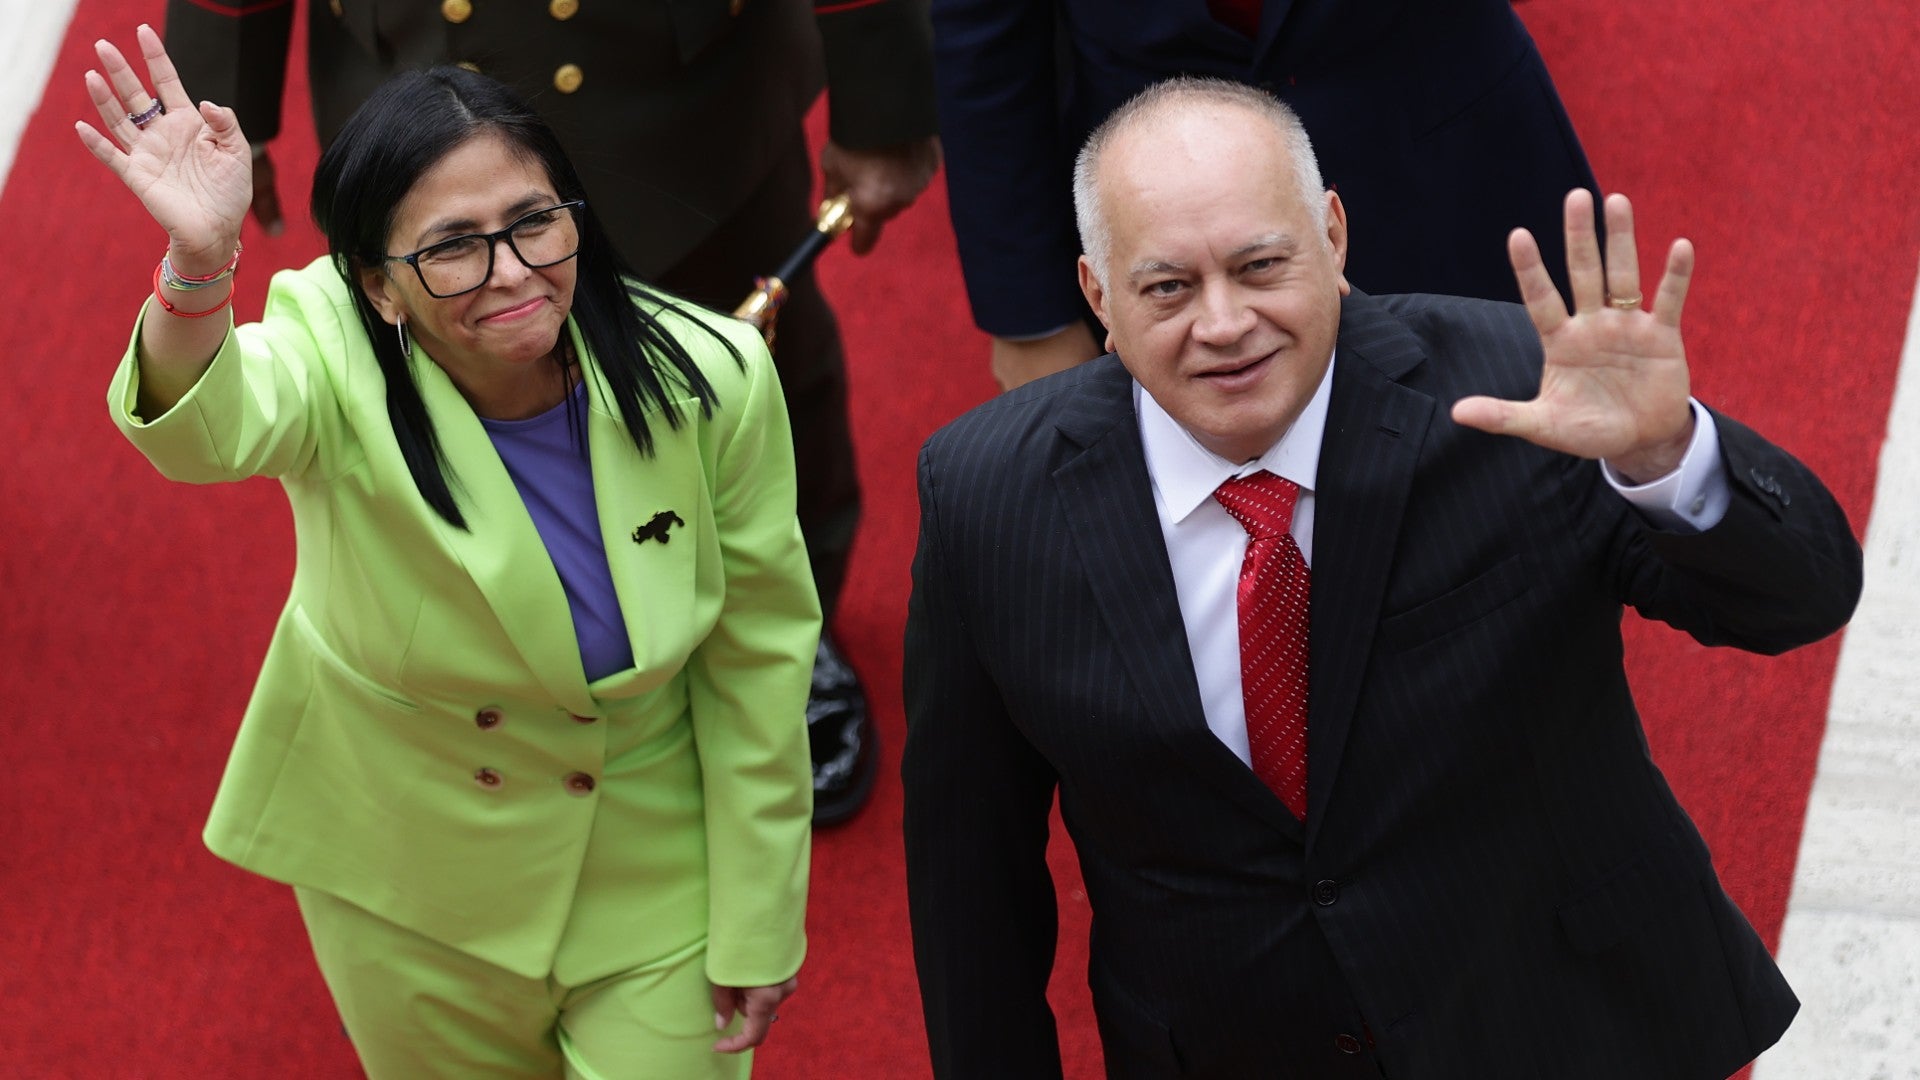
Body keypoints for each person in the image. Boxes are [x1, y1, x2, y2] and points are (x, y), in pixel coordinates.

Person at [900, 77, 1862, 1078]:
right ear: (1099, 297)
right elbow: (973, 880)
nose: (1225, 323)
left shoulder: (1519, 395)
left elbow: (1801, 596)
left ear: (1334, 237)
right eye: (1168, 288)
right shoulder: (987, 498)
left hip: (1558, 1027)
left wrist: (1668, 455)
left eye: (1260, 265)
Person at [80, 27, 818, 1077]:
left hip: (649, 854)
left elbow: (760, 659)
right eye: (453, 246)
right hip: (404, 865)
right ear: (379, 287)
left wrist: (758, 913)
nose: (512, 272)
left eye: (533, 223)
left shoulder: (718, 373)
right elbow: (205, 432)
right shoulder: (331, 343)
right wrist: (201, 268)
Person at [161, 0, 945, 825]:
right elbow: (205, 426)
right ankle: (483, 652)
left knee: (739, 364)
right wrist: (223, 95)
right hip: (416, 69)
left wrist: (882, 97)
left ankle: (793, 626)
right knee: (437, 388)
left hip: (680, 96)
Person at [930, 0, 1601, 390]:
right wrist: (1031, 317)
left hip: (1448, 168)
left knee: (1527, 527)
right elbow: (983, 32)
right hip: (1164, 209)